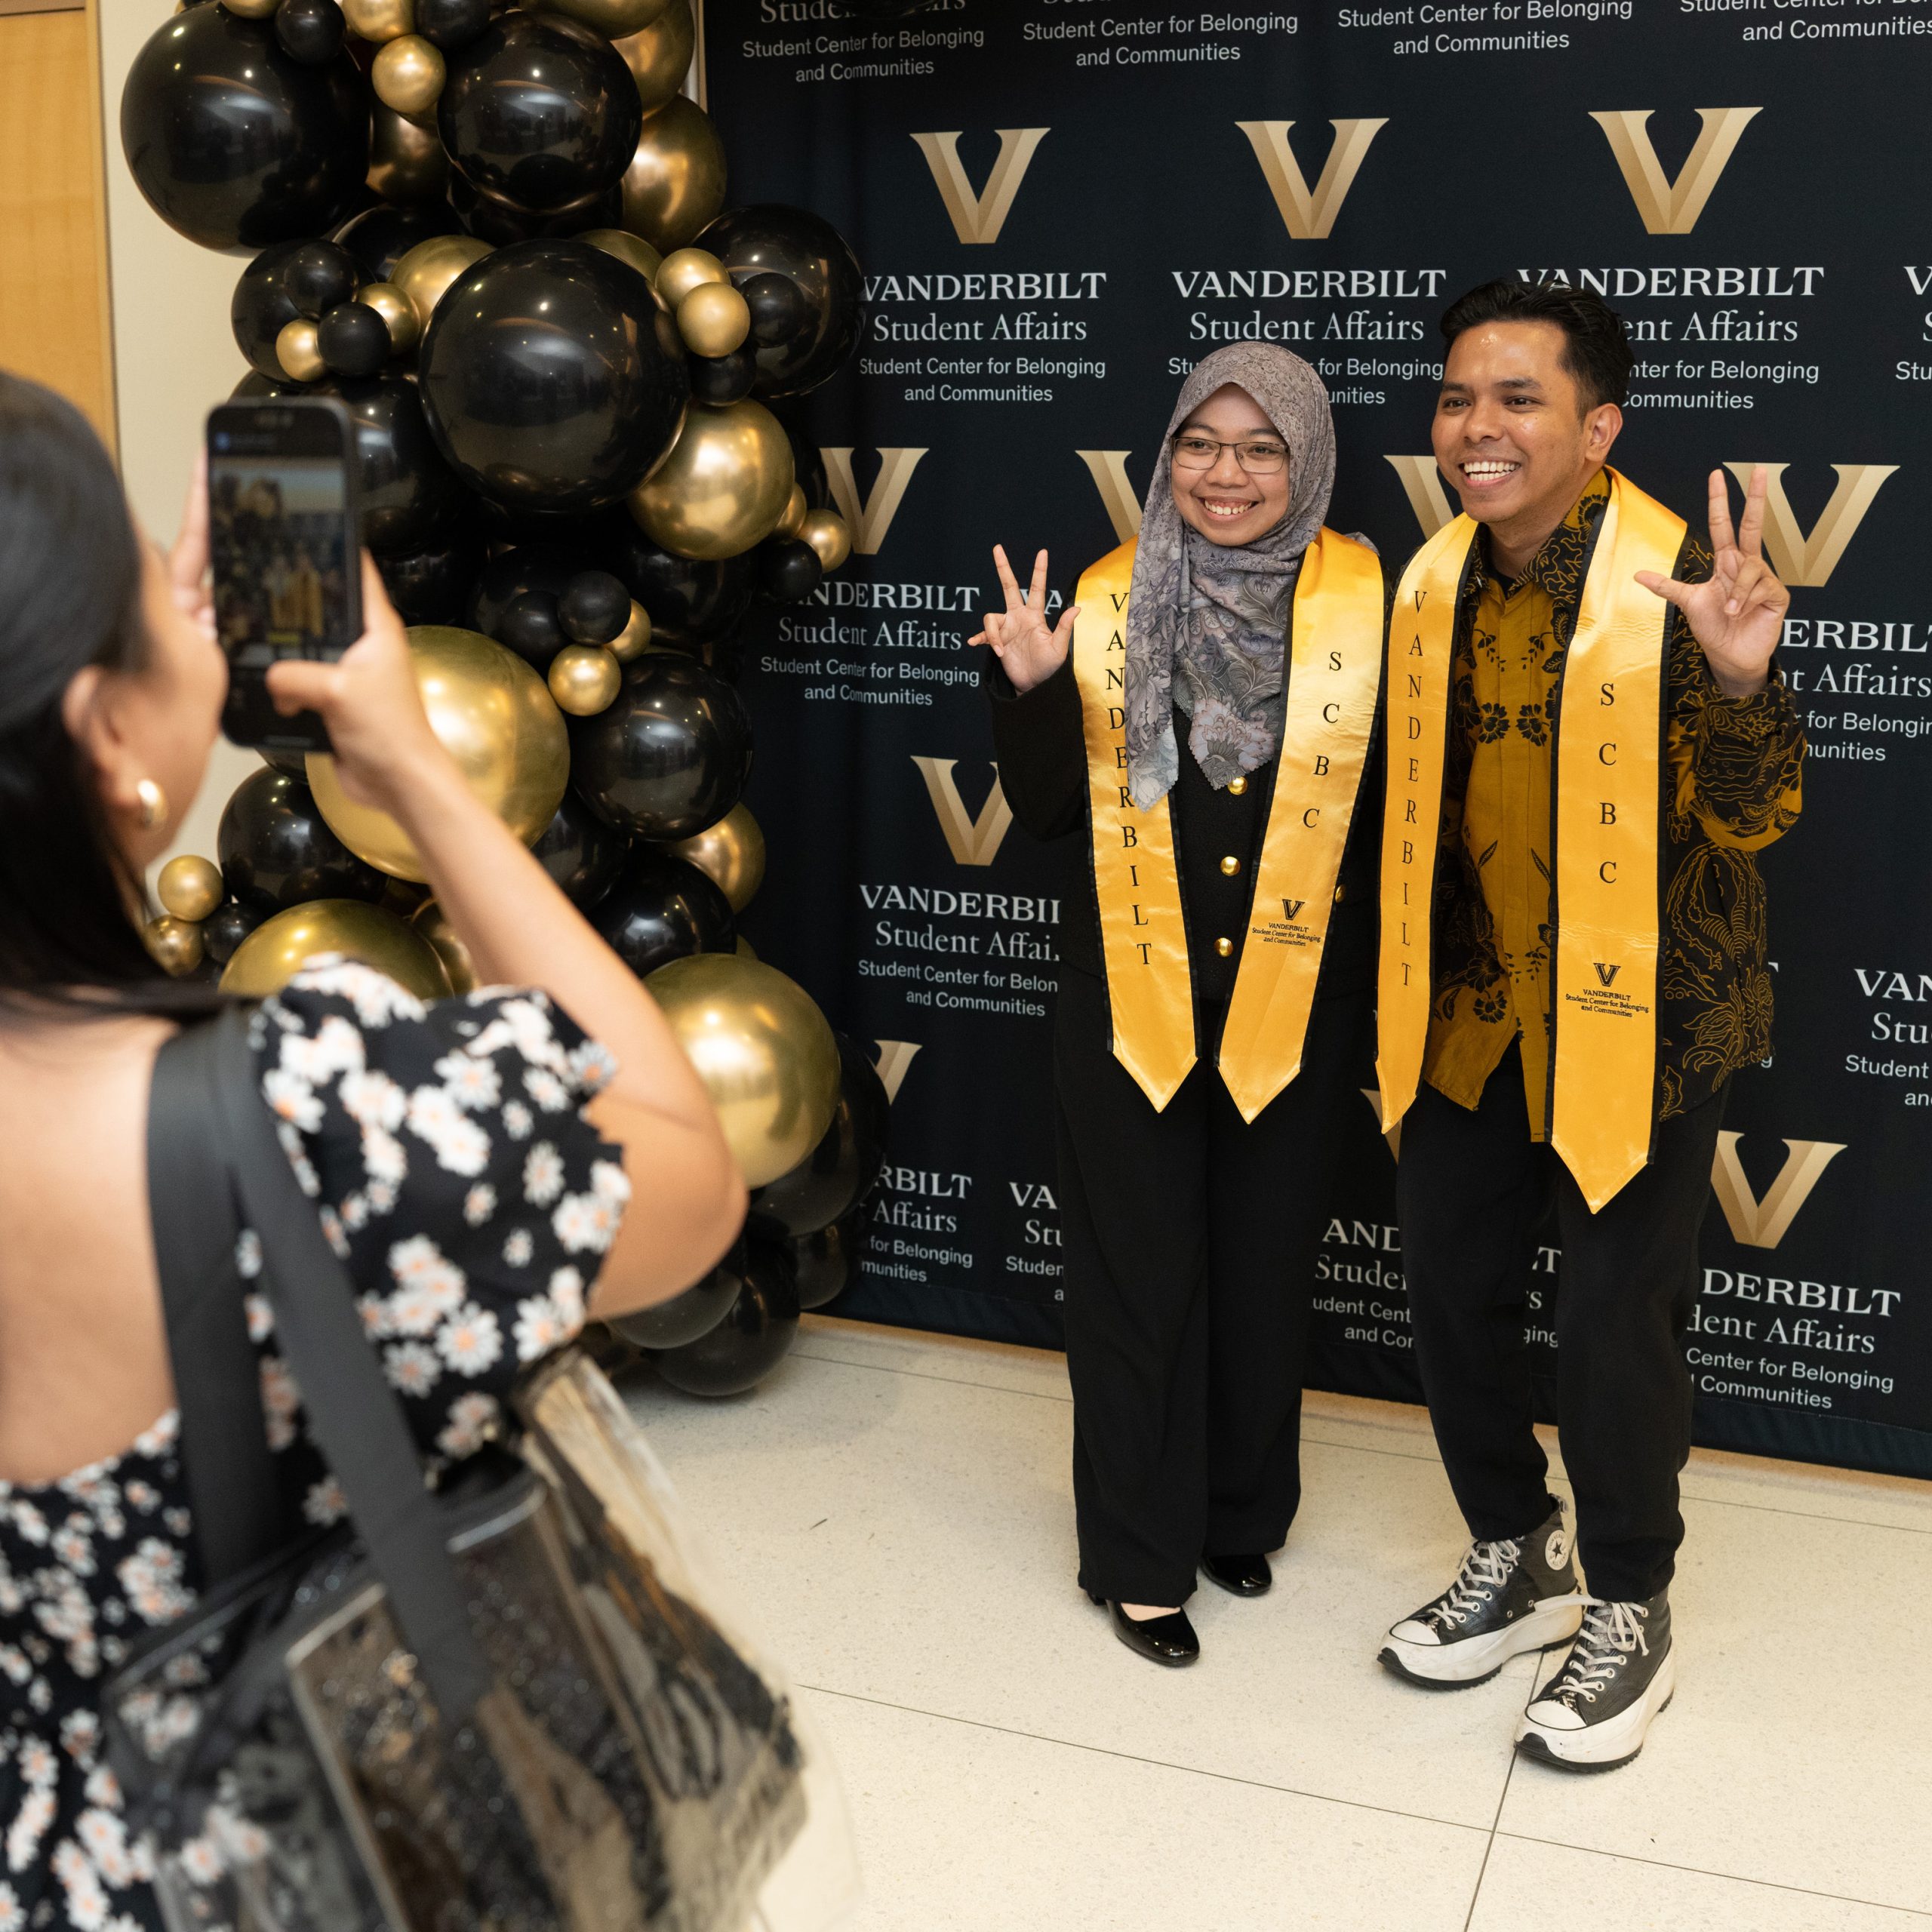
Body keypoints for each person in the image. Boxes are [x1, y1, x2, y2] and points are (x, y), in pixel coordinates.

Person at [0, 374, 746, 1932]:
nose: (193, 590)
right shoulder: (300, 1105)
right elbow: (680, 1178)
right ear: (107, 732)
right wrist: (412, 769)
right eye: (155, 570)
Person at [1371, 284, 1803, 1768]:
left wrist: (1740, 678)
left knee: (1617, 1327)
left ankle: (1626, 1596)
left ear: (1596, 425)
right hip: (1466, 1020)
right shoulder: (1427, 580)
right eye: (1453, 400)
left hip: (1643, 1025)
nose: (1472, 429)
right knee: (1445, 1295)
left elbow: (1750, 817)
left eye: (1512, 400)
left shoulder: (1681, 575)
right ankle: (1515, 1541)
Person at [972, 343, 1386, 1666]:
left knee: (1266, 1262)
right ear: (1167, 455)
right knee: (1139, 1279)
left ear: (1307, 459)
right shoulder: (1099, 603)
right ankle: (1141, 1558)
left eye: (1262, 447)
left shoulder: (1374, 604)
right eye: (1201, 444)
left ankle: (1237, 1509)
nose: (1227, 474)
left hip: (1298, 999)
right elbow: (1044, 818)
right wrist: (1035, 688)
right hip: (1127, 1002)